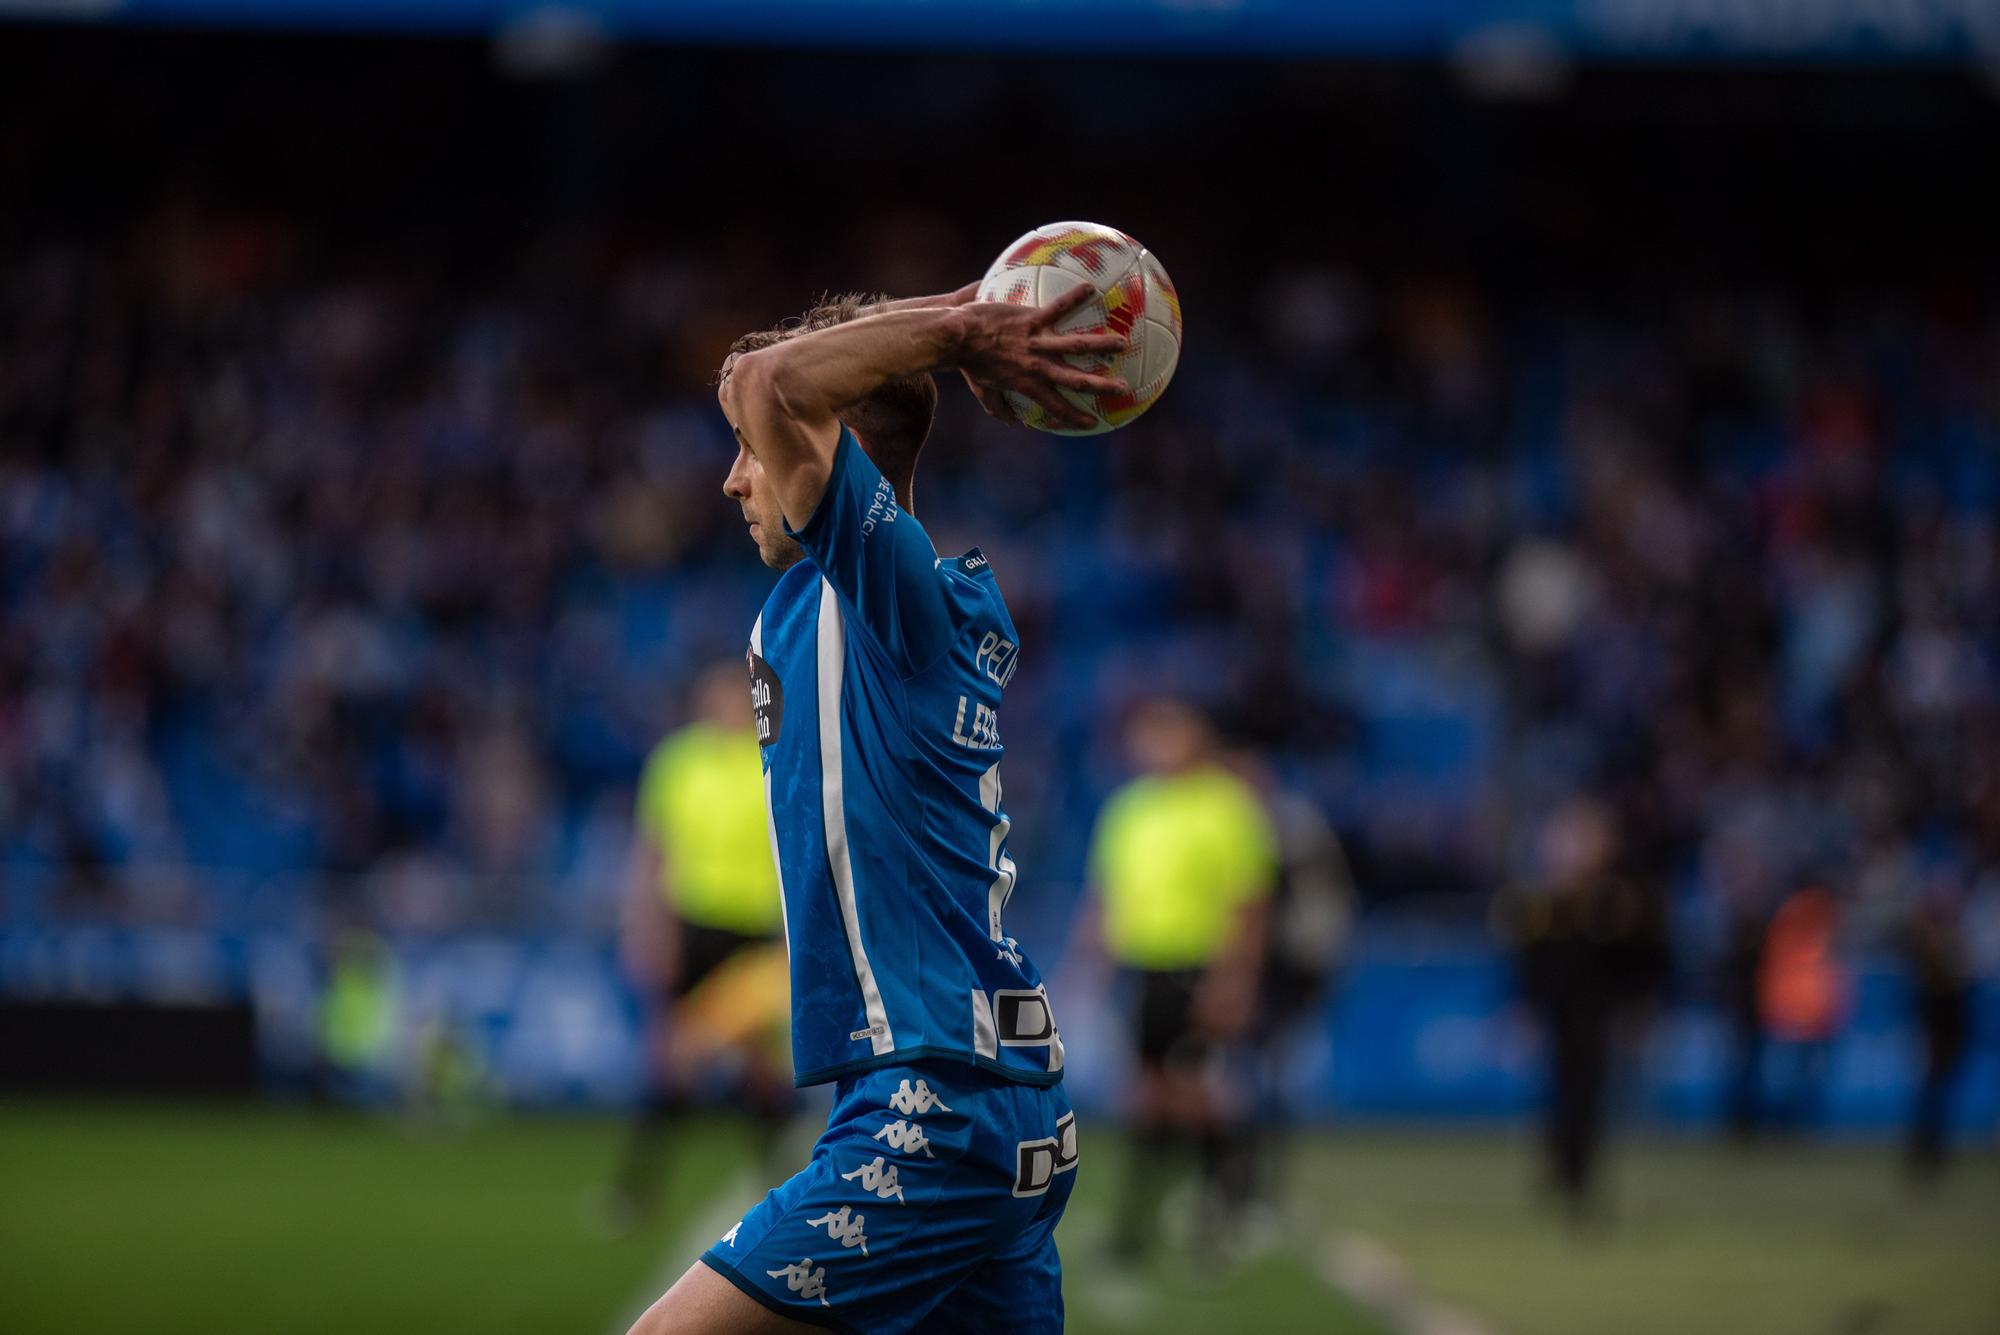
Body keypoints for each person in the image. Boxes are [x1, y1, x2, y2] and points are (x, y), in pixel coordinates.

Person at [627, 281, 1128, 1335]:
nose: (729, 480)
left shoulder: (890, 587)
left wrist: (962, 326)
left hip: (937, 1100)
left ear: (826, 445)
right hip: (984, 1095)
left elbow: (765, 381)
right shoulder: (834, 593)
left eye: (750, 452)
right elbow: (759, 380)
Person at [1076, 699, 1277, 1264]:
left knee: (1194, 1094)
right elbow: (1106, 896)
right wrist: (1089, 964)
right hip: (1144, 967)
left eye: (1168, 734)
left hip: (1199, 965)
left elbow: (1250, 904)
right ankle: (1140, 1222)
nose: (1156, 747)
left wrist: (1236, 979)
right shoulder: (1129, 809)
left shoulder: (1226, 806)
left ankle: (1223, 1199)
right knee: (1145, 1094)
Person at [608, 660, 789, 1225]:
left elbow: (795, 853)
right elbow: (651, 854)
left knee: (761, 1066)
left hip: (754, 932)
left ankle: (782, 1184)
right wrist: (643, 930)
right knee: (670, 1062)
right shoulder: (678, 762)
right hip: (691, 927)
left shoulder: (771, 758)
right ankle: (638, 1190)